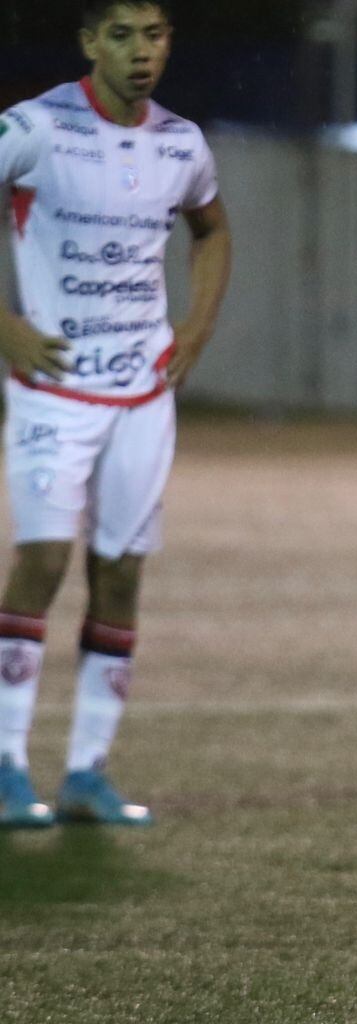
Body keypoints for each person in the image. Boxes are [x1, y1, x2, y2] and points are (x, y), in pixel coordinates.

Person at [0, 0, 231, 828]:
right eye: (124, 35)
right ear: (90, 42)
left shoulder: (180, 142)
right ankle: (5, 765)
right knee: (42, 559)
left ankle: (88, 774)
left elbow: (211, 228)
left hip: (141, 393)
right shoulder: (34, 128)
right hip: (54, 389)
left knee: (122, 571)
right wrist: (7, 325)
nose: (143, 52)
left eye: (157, 34)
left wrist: (195, 327)